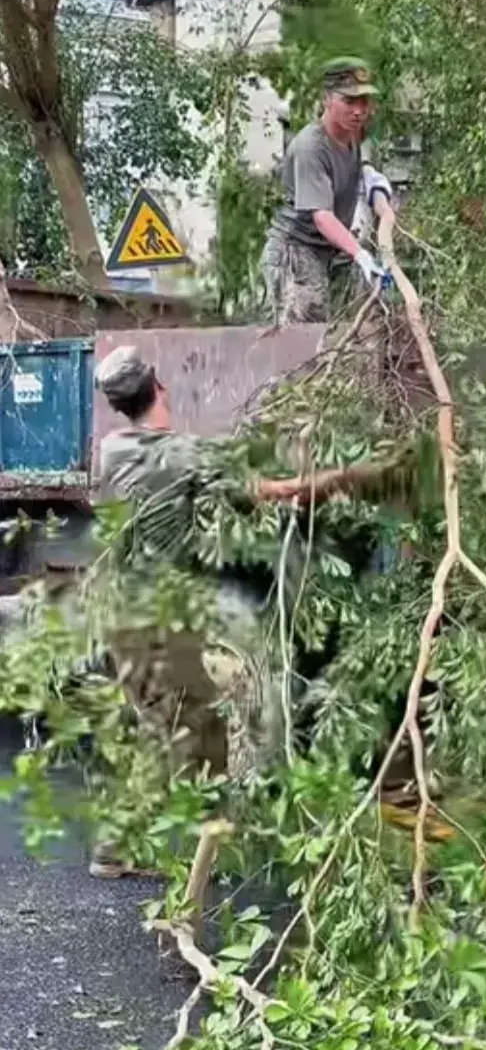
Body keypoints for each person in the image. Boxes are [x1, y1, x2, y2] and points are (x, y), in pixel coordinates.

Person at [92, 347, 281, 875]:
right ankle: (114, 848)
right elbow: (255, 492)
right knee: (165, 726)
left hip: (126, 611)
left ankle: (215, 828)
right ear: (160, 387)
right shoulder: (182, 453)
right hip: (157, 618)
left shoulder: (112, 449)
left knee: (202, 715)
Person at [261, 58, 394, 326]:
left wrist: (373, 181)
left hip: (330, 252)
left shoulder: (353, 132)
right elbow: (322, 217)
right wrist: (361, 255)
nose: (359, 111)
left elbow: (364, 156)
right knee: (303, 347)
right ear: (326, 100)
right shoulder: (311, 148)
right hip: (296, 253)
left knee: (347, 330)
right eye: (349, 101)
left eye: (364, 102)